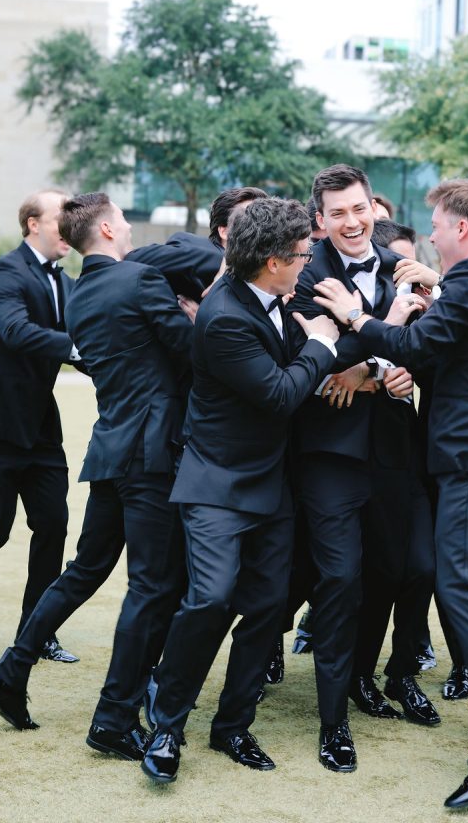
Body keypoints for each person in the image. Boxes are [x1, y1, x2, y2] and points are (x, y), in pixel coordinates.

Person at [313, 178, 468, 810]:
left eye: (439, 227)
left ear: (461, 228)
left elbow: (417, 346)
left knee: (464, 588)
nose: (433, 237)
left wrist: (355, 316)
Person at [0, 193, 194, 759]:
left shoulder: (79, 295)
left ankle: (10, 670)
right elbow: (192, 353)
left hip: (110, 450)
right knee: (152, 586)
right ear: (105, 228)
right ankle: (113, 718)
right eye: (122, 219)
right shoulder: (141, 281)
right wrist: (196, 320)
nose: (127, 227)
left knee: (84, 570)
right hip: (150, 453)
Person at [142, 198, 339, 785]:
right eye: (303, 253)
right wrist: (322, 345)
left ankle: (232, 726)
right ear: (273, 261)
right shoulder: (224, 315)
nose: (309, 261)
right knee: (209, 599)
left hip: (272, 482)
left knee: (268, 607)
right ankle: (167, 725)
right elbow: (279, 394)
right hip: (217, 482)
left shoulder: (283, 294)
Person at [287, 165, 437, 775]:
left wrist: (388, 371)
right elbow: (311, 358)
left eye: (359, 209)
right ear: (319, 219)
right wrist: (378, 341)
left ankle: (362, 677)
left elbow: (427, 347)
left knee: (394, 570)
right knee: (341, 578)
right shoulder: (304, 272)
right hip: (328, 452)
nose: (351, 223)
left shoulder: (403, 268)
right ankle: (333, 723)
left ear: (374, 208)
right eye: (338, 213)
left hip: (396, 447)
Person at [0, 189, 80, 663]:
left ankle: (35, 633)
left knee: (53, 526)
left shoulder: (67, 281)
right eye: (62, 217)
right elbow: (16, 331)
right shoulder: (6, 272)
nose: (70, 227)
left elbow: (88, 335)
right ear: (33, 225)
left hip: (41, 429)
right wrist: (77, 349)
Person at [126, 186, 267, 300]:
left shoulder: (264, 273)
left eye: (264, 215)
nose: (259, 223)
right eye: (248, 216)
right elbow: (132, 259)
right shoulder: (209, 255)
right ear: (224, 231)